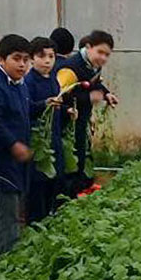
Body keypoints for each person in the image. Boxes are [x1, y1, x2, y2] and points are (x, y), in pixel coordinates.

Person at [0, 35, 33, 261]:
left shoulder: (19, 86)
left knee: (0, 211)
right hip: (2, 159)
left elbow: (24, 112)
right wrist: (13, 144)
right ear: (1, 59)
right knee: (7, 211)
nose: (22, 64)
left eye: (26, 59)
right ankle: (9, 263)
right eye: (17, 59)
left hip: (14, 159)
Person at [56, 30, 119, 196]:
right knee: (71, 162)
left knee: (81, 158)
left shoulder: (93, 65)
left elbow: (95, 83)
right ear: (88, 47)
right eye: (100, 52)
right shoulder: (70, 68)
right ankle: (65, 202)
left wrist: (106, 94)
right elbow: (60, 96)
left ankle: (78, 195)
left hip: (80, 120)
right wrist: (88, 98)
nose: (103, 58)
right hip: (66, 124)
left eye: (107, 55)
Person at [24, 37, 65, 222]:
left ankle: (50, 219)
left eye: (51, 56)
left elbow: (57, 109)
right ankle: (35, 224)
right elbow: (27, 109)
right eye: (42, 56)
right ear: (32, 59)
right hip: (38, 140)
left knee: (54, 181)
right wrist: (44, 104)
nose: (47, 60)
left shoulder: (54, 81)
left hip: (53, 139)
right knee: (37, 186)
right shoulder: (29, 82)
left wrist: (67, 111)